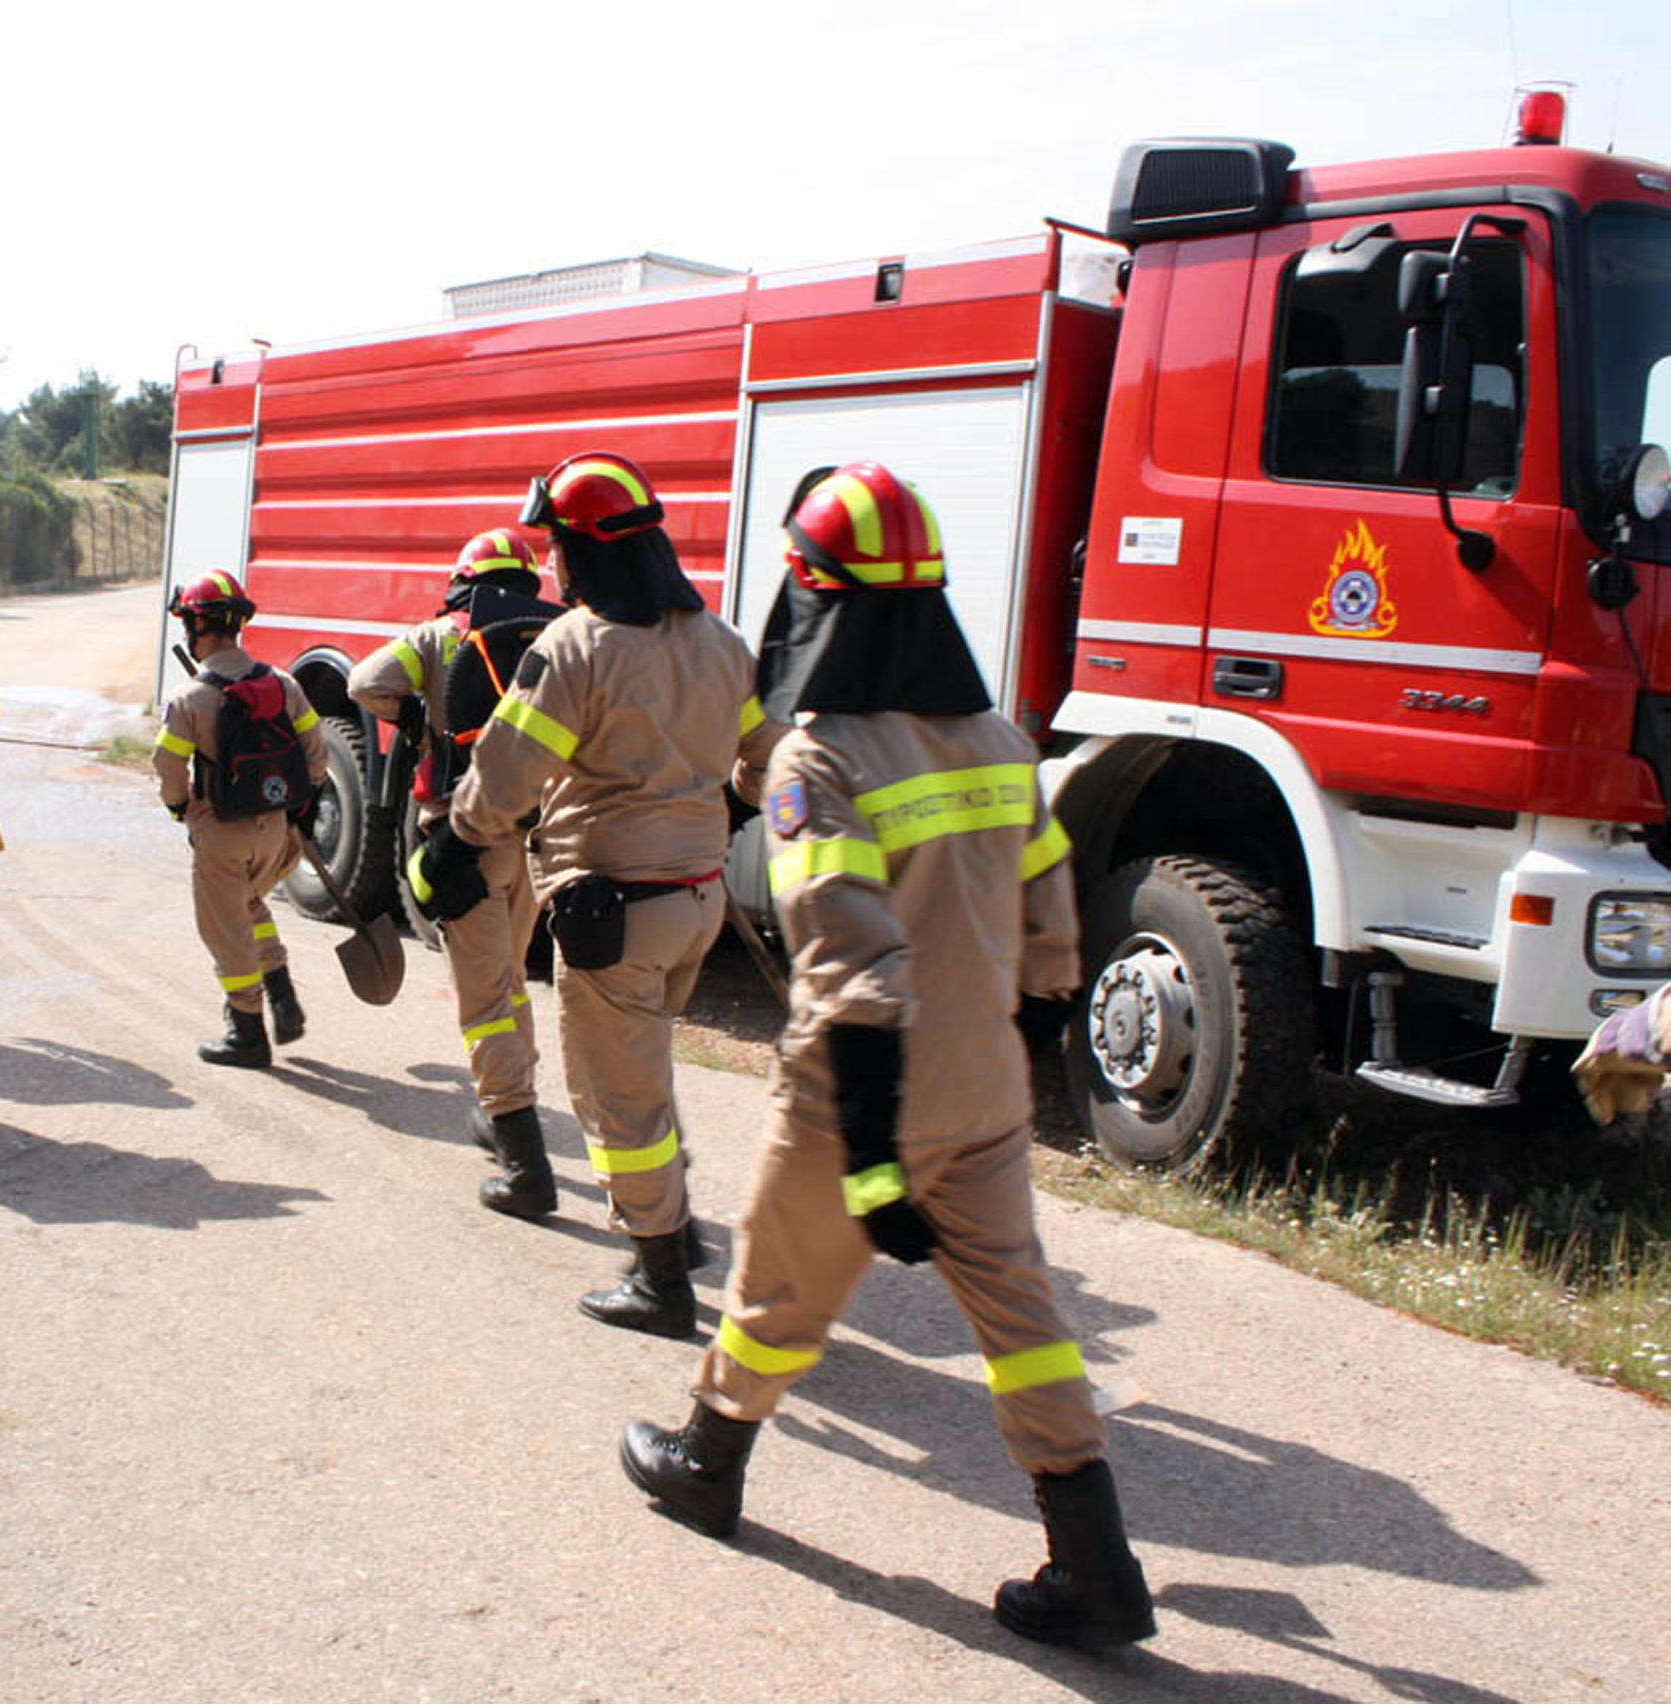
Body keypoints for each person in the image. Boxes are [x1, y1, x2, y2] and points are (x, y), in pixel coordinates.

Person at [618, 461, 1152, 1649]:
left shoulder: (821, 763)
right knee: (1024, 1317)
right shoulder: (1003, 741)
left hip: (858, 1096)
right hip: (986, 1094)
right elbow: (1052, 939)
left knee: (772, 1295)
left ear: (815, 598)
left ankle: (707, 1466)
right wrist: (998, 1057)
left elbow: (854, 976)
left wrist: (868, 1165)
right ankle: (1096, 1564)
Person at [418, 454, 783, 1335]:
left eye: (558, 548)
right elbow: (767, 756)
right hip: (696, 905)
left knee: (616, 1098)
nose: (552, 566)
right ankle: (674, 1227)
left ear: (585, 551)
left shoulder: (575, 646)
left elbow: (507, 771)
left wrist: (456, 842)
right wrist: (723, 808)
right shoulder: (721, 642)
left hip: (609, 910)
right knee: (643, 1071)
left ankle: (659, 1277)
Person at [349, 527, 556, 1215]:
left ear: (463, 579)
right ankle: (511, 1103)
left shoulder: (441, 635)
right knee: (512, 978)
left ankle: (519, 1151)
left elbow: (363, 680)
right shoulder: (551, 637)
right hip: (535, 839)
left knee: (483, 998)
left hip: (463, 837)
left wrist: (412, 717)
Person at [155, 569, 328, 1069]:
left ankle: (247, 1033)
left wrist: (182, 809)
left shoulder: (190, 698)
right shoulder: (284, 683)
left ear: (199, 627)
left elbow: (168, 768)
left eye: (189, 621)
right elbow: (316, 754)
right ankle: (282, 994)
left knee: (224, 930)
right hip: (275, 829)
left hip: (220, 830)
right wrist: (294, 806)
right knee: (251, 905)